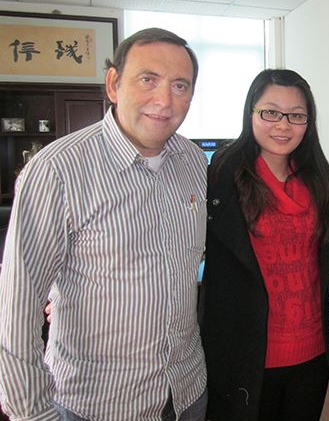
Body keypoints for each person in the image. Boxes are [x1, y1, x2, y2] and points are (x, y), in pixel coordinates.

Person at [0, 28, 208, 421]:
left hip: (186, 393)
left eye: (180, 85)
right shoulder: (57, 170)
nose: (164, 100)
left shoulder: (194, 162)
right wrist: (32, 414)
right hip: (97, 403)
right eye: (148, 79)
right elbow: (16, 307)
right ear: (113, 84)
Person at [199, 69, 329, 421]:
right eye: (270, 112)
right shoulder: (223, 174)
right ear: (251, 113)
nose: (283, 125)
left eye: (296, 115)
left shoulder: (320, 177)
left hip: (311, 351)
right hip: (245, 352)